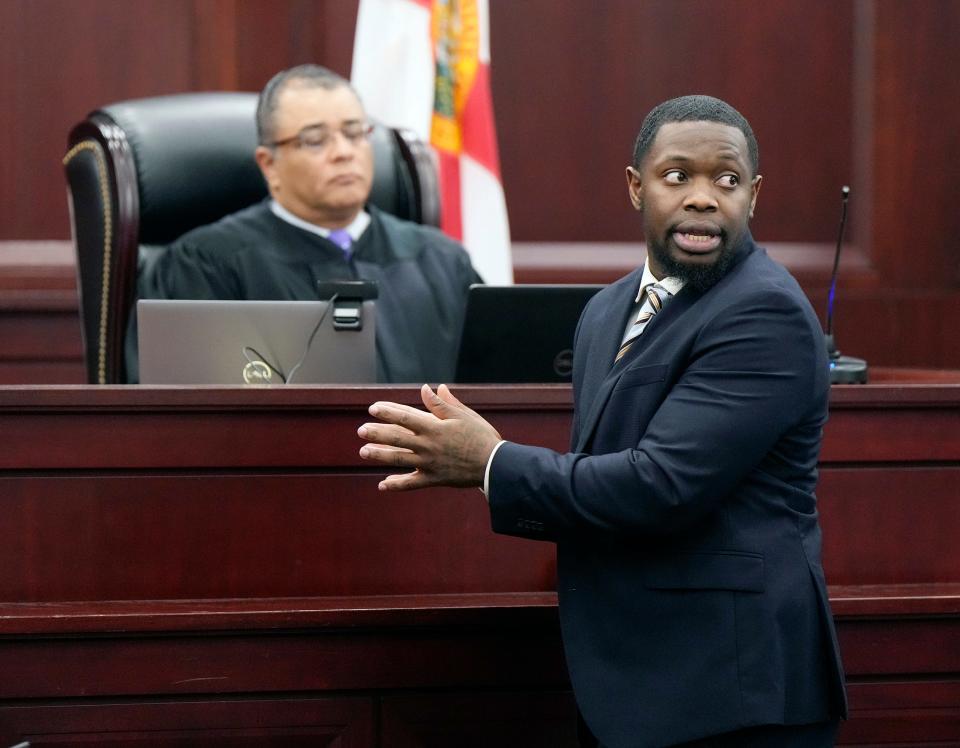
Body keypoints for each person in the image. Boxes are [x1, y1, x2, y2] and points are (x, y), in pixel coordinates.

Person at [357, 95, 847, 747]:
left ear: (752, 196)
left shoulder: (764, 313)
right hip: (633, 682)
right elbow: (601, 468)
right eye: (677, 176)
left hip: (731, 692)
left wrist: (491, 463)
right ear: (635, 186)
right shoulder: (606, 309)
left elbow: (657, 486)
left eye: (726, 180)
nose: (703, 197)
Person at [128, 64, 481, 383]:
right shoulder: (205, 265)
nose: (343, 152)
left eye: (355, 133)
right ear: (269, 165)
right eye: (315, 140)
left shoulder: (441, 260)